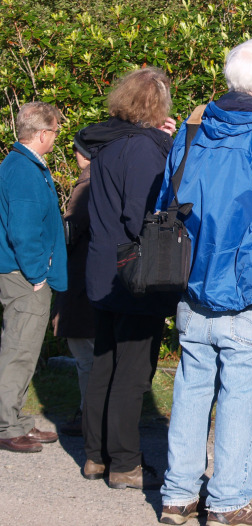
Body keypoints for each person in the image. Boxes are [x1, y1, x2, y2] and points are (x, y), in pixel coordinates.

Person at [159, 38, 252, 526]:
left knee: (192, 390)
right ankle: (227, 501)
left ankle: (178, 495)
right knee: (239, 399)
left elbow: (166, 202)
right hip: (251, 288)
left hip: (195, 283)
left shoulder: (195, 126)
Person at [79, 67, 179, 488]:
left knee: (105, 362)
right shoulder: (141, 148)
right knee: (132, 370)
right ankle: (124, 463)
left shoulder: (108, 143)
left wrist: (161, 141)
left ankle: (96, 455)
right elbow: (141, 214)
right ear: (157, 105)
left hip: (104, 265)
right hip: (134, 270)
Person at [0, 102, 67, 453]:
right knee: (19, 350)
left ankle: (15, 419)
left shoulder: (22, 165)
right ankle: (5, 425)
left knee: (23, 350)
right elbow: (23, 231)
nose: (56, 137)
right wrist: (37, 274)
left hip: (22, 272)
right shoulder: (24, 170)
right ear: (42, 134)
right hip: (23, 276)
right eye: (55, 131)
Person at [51, 133, 97, 437]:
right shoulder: (109, 177)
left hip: (81, 274)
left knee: (84, 352)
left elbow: (71, 229)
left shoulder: (88, 182)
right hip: (97, 274)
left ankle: (88, 413)